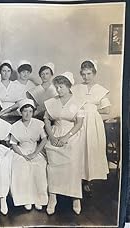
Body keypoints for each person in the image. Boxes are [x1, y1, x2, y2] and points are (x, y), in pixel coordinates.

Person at [44, 72, 85, 215]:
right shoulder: (52, 102)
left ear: (68, 86)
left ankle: (75, 197)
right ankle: (52, 197)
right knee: (53, 165)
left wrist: (67, 136)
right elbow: (47, 120)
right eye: (57, 87)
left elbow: (79, 123)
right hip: (55, 133)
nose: (58, 90)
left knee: (73, 165)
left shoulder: (78, 102)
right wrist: (51, 135)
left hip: (71, 134)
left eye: (60, 87)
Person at [72, 60, 110, 194]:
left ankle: (88, 181)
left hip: (93, 124)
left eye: (89, 74)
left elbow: (107, 110)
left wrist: (92, 111)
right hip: (79, 121)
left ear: (94, 73)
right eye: (83, 74)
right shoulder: (76, 88)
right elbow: (71, 106)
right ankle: (78, 179)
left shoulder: (100, 89)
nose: (86, 77)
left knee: (91, 149)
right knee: (79, 148)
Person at [10, 99, 48, 211]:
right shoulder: (16, 126)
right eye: (25, 111)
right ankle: (26, 200)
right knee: (21, 167)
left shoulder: (38, 124)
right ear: (21, 112)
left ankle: (38, 199)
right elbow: (13, 144)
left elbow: (44, 139)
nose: (27, 114)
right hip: (21, 151)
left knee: (39, 167)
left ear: (33, 112)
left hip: (35, 150)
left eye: (30, 111)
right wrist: (23, 155)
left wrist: (35, 153)